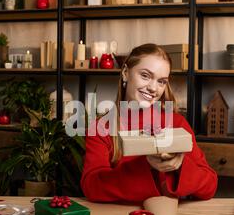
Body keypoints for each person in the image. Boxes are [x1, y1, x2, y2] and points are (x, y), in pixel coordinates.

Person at [81, 43, 217, 203]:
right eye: (145, 75)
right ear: (125, 73)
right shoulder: (100, 128)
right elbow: (92, 186)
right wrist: (146, 164)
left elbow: (210, 185)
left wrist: (180, 165)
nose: (153, 88)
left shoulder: (176, 123)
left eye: (161, 81)